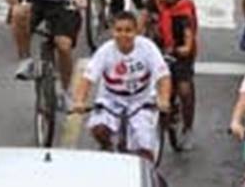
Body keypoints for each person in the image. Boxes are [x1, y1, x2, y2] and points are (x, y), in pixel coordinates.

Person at [70, 11, 171, 162]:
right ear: (112, 31)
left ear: (136, 31)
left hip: (141, 101)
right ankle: (107, 146)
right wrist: (79, 101)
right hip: (111, 99)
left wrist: (164, 99)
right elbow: (87, 79)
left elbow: (163, 77)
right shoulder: (105, 51)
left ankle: (147, 173)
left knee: (144, 150)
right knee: (98, 128)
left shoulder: (148, 48)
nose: (123, 35)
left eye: (128, 30)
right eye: (118, 30)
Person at [141, 0, 198, 150]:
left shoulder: (184, 10)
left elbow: (188, 41)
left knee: (184, 89)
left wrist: (180, 50)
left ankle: (188, 127)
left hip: (178, 54)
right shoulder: (151, 4)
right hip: (157, 50)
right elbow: (141, 25)